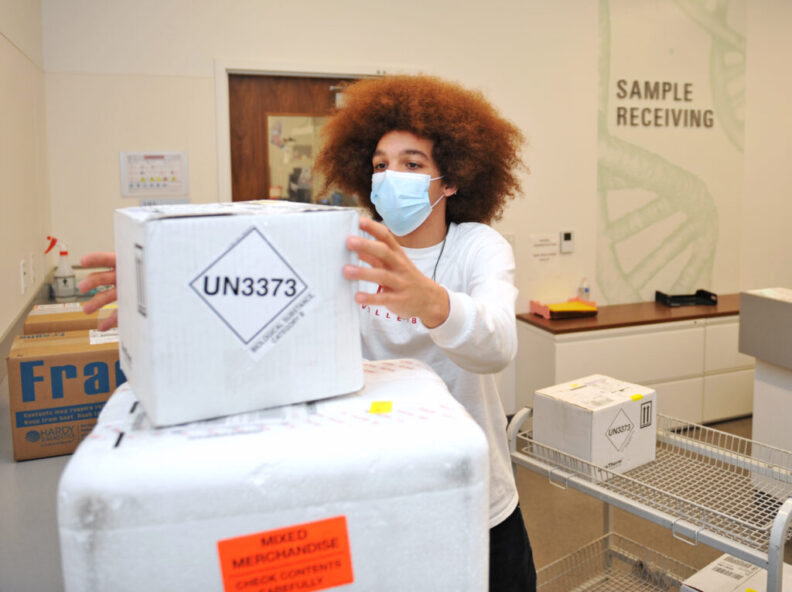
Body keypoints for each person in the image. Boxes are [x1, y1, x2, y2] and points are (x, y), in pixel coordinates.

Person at [79, 74, 536, 592]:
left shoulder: (478, 246)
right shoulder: (345, 239)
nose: (391, 176)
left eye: (413, 164)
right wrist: (158, 280)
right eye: (380, 165)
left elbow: (497, 345)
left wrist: (429, 299)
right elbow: (254, 297)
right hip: (376, 476)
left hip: (479, 489)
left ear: (451, 179)